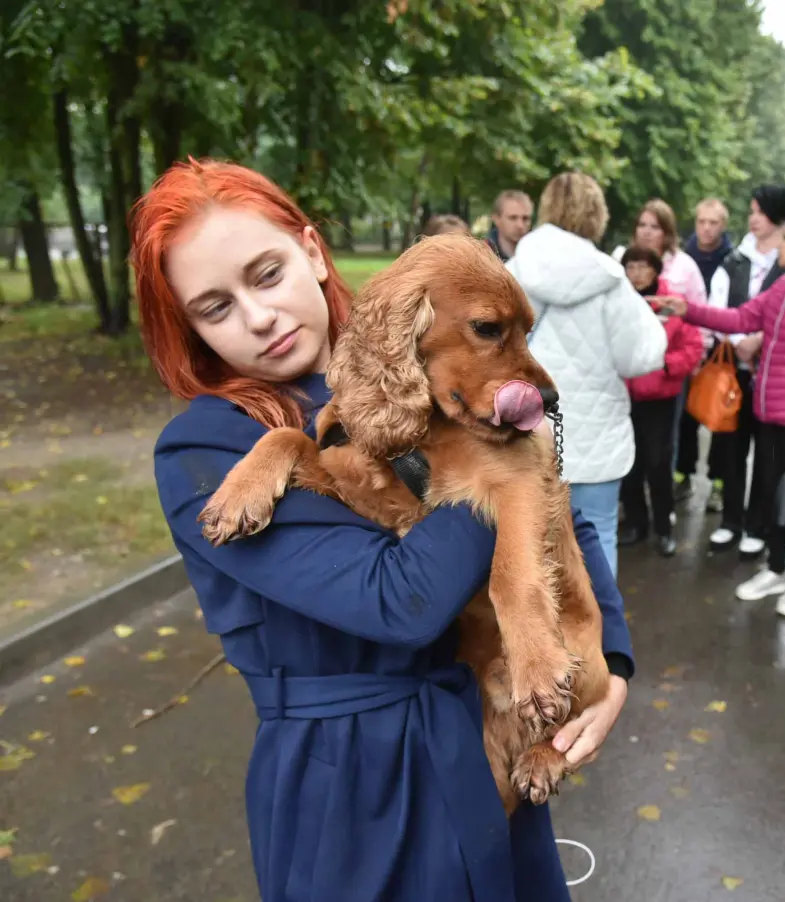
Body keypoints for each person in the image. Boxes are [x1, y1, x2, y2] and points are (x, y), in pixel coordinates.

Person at [134, 159, 634, 902]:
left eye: (266, 274)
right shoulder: (203, 451)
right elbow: (402, 601)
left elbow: (569, 524)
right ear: (191, 328)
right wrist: (505, 459)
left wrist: (614, 662)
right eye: (215, 307)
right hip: (351, 787)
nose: (259, 317)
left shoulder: (428, 363)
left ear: (309, 249)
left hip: (477, 735)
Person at [660, 212, 785, 617]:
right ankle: (775, 568)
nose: (778, 245)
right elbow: (740, 319)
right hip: (769, 412)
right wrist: (687, 309)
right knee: (772, 493)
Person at [507, 172, 667, 576]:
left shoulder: (511, 273)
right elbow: (642, 356)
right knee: (597, 540)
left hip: (528, 432)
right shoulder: (610, 280)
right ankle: (601, 636)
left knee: (531, 546)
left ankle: (540, 636)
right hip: (597, 436)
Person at [705, 184, 785, 555]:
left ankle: (759, 526)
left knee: (768, 454)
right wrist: (739, 338)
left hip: (773, 375)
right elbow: (716, 308)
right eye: (752, 211)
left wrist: (760, 339)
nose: (754, 218)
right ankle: (731, 521)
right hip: (734, 372)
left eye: (761, 211)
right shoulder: (734, 261)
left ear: (778, 215)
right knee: (731, 447)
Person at [617, 246, 704, 557]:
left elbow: (693, 346)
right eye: (631, 266)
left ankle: (664, 528)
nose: (637, 273)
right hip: (625, 398)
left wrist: (666, 366)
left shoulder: (671, 304)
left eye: (643, 266)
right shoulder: (617, 302)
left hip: (661, 398)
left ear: (655, 270)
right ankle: (637, 524)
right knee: (629, 465)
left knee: (658, 462)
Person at [675, 197, 734, 509]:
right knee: (687, 416)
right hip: (689, 347)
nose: (707, 228)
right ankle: (681, 475)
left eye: (714, 223)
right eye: (702, 222)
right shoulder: (685, 257)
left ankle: (718, 482)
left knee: (720, 416)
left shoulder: (733, 260)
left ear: (723, 226)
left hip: (721, 349)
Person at [487, 190, 534, 262]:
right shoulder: (483, 255)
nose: (520, 225)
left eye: (525, 218)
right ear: (496, 219)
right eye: (513, 218)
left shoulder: (540, 254)